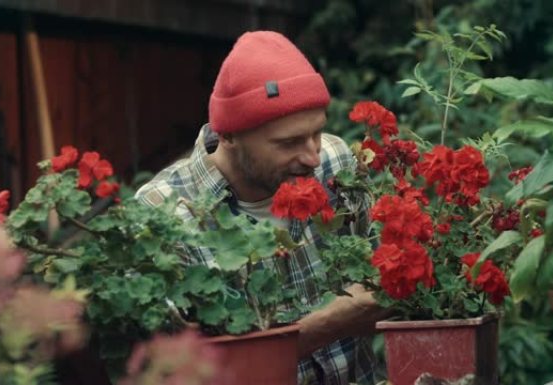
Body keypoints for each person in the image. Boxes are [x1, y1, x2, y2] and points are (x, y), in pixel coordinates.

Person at [135, 30, 390, 385]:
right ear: (229, 136)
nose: (313, 156)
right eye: (288, 143)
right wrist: (324, 326)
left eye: (316, 132)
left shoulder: (336, 162)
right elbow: (182, 371)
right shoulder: (163, 213)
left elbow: (389, 277)